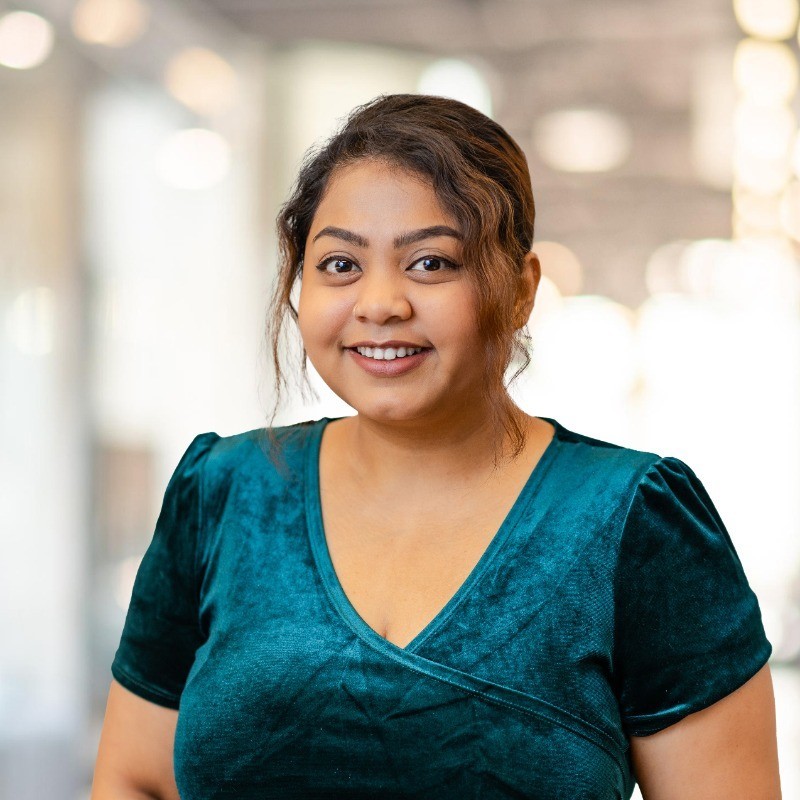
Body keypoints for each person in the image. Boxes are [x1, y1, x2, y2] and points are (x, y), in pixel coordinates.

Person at [91, 94, 781, 799]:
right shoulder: (223, 492)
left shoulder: (635, 521)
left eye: (430, 263)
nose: (381, 302)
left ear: (520, 291)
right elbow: (134, 778)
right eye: (339, 264)